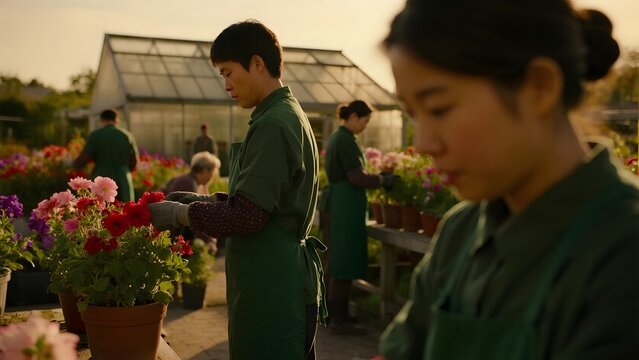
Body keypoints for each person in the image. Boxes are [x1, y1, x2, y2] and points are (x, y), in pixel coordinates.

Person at [378, 1, 639, 359]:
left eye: (439, 108)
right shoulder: (462, 231)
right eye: (413, 114)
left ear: (539, 87)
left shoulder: (622, 251)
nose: (423, 143)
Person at [147, 20, 326, 360]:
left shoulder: (273, 124)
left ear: (257, 64)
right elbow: (262, 203)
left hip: (274, 286)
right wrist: (201, 200)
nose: (226, 85)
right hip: (277, 277)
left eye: (229, 73)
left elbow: (247, 217)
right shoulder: (283, 114)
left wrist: (179, 214)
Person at [321, 100, 396, 335]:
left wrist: (377, 177)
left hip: (340, 204)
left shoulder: (340, 137)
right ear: (353, 116)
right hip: (343, 205)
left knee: (336, 260)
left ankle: (334, 314)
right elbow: (356, 178)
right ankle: (338, 318)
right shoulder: (344, 140)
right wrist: (383, 181)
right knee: (342, 261)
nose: (365, 126)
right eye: (365, 120)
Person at [73, 109, 139, 202]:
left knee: (101, 209)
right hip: (123, 177)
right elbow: (134, 161)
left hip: (102, 176)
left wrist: (74, 165)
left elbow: (85, 157)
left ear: (102, 120)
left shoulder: (95, 135)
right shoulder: (126, 135)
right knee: (124, 210)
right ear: (117, 120)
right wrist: (125, 169)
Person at [161, 151, 221, 251]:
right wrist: (209, 240)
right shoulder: (187, 183)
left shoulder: (190, 181)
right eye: (212, 173)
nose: (211, 178)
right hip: (170, 237)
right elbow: (193, 216)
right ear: (205, 170)